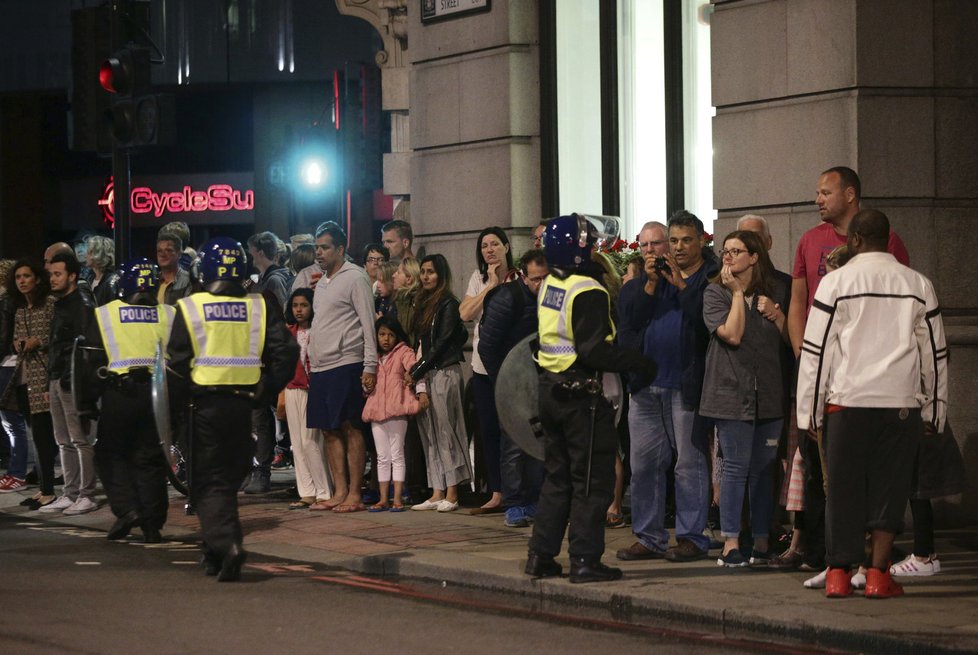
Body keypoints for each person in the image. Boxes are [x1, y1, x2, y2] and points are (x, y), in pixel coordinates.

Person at [797, 209, 947, 599]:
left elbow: (817, 351)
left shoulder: (836, 283)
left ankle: (837, 574)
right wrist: (935, 410)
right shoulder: (918, 284)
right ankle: (878, 576)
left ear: (855, 240)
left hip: (847, 401)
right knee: (890, 490)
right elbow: (934, 353)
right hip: (900, 402)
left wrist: (807, 411)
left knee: (843, 490)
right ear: (887, 238)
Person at [787, 167, 910, 587]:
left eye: (826, 192)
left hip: (850, 387)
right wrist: (807, 373)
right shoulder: (810, 241)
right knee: (836, 482)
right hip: (847, 384)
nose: (818, 199)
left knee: (859, 482)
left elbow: (903, 319)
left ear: (851, 195)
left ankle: (851, 569)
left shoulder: (886, 246)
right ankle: (854, 567)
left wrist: (811, 394)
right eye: (817, 192)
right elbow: (798, 304)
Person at [525, 214, 657, 584]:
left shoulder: (550, 283)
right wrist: (639, 363)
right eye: (590, 242)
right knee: (590, 481)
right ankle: (584, 559)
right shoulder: (589, 290)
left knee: (557, 478)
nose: (595, 247)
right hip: (580, 397)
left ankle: (541, 555)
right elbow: (594, 351)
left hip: (550, 389)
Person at [167, 237, 298, 581]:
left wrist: (174, 416)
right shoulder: (259, 306)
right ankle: (212, 552)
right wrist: (265, 390)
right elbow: (287, 352)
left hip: (202, 407)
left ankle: (229, 545)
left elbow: (176, 368)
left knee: (207, 484)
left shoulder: (190, 307)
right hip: (244, 407)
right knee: (226, 480)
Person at [615, 210, 719, 563]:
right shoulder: (646, 281)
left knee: (688, 465)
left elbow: (705, 321)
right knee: (643, 465)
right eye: (672, 241)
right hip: (646, 387)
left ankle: (692, 537)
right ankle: (648, 537)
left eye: (685, 240)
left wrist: (681, 285)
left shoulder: (710, 278)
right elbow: (628, 320)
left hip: (684, 386)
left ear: (701, 241)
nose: (677, 248)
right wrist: (648, 285)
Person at [699, 231, 789, 567]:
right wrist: (737, 293)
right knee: (736, 467)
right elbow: (732, 335)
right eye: (725, 251)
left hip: (768, 393)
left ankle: (763, 540)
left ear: (754, 256)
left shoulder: (775, 292)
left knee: (765, 469)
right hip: (729, 394)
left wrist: (777, 315)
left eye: (737, 251)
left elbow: (791, 340)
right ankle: (731, 542)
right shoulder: (715, 293)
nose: (728, 256)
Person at [87, 258, 174, 542]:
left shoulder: (105, 314)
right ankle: (152, 525)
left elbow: (92, 361)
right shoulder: (168, 314)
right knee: (150, 459)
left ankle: (127, 510)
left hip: (119, 394)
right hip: (158, 396)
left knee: (110, 454)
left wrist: (88, 401)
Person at [306, 221, 378, 513]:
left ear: (340, 248)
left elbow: (368, 322)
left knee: (350, 427)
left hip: (347, 362)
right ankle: (338, 492)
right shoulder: (321, 283)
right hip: (321, 366)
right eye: (316, 247)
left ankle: (354, 494)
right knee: (328, 430)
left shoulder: (355, 277)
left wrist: (370, 365)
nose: (319, 253)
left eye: (324, 247)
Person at [478, 248, 549, 528]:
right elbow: (488, 346)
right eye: (535, 279)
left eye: (545, 278)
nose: (540, 285)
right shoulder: (509, 299)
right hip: (513, 383)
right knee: (515, 444)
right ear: (523, 275)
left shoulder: (548, 301)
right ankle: (515, 502)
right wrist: (503, 383)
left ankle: (532, 499)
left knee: (537, 442)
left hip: (539, 381)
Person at [459, 226, 518, 514]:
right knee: (489, 430)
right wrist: (490, 286)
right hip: (482, 366)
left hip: (511, 366)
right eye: (485, 246)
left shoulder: (518, 278)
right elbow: (465, 313)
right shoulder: (478, 278)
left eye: (495, 244)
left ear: (507, 247)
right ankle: (496, 491)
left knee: (514, 430)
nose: (490, 250)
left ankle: (517, 491)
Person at [409, 254, 472, 512]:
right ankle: (437, 490)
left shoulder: (448, 303)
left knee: (448, 431)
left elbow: (443, 342)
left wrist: (417, 369)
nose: (426, 276)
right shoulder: (423, 303)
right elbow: (421, 343)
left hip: (444, 371)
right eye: (423, 271)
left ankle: (453, 491)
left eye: (431, 272)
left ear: (441, 275)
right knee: (430, 433)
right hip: (428, 373)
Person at [41, 251, 98, 516]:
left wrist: (72, 380)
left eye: (57, 274)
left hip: (71, 380)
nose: (52, 279)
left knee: (79, 439)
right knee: (63, 439)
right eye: (51, 274)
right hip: (57, 377)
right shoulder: (62, 303)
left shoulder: (82, 303)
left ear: (72, 275)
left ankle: (86, 494)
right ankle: (70, 492)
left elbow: (86, 347)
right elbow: (57, 345)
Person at [243, 231, 295, 494]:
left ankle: (261, 472)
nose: (249, 256)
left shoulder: (274, 281)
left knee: (264, 418)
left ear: (259, 252)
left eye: (251, 251)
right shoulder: (267, 279)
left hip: (268, 356)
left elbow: (283, 315)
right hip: (267, 355)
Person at [4, 259, 58, 508]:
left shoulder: (49, 304)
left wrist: (37, 340)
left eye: (27, 276)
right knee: (34, 434)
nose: (22, 281)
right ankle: (43, 488)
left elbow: (54, 335)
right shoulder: (20, 310)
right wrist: (20, 343)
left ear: (37, 278)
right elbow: (16, 339)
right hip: (23, 377)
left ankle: (49, 490)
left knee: (45, 435)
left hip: (44, 377)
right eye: (18, 277)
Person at [362, 316, 423, 512]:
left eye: (390, 334)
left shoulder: (404, 351)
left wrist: (411, 375)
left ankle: (397, 497)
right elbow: (367, 386)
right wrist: (366, 386)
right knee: (382, 456)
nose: (386, 339)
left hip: (397, 409)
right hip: (377, 410)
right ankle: (382, 498)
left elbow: (413, 366)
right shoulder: (373, 358)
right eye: (381, 334)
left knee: (397, 455)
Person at [282, 288, 333, 510]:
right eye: (295, 306)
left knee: (312, 442)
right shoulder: (289, 333)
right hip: (293, 388)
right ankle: (307, 492)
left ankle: (324, 491)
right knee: (297, 443)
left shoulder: (319, 330)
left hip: (314, 389)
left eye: (303, 305)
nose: (299, 310)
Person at [0, 259, 30, 493]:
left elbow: (4, 336)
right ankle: (18, 471)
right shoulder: (13, 301)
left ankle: (17, 473)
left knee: (12, 421)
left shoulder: (8, 301)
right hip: (10, 362)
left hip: (9, 363)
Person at [156, 232, 197, 306]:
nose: (163, 254)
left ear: (179, 254)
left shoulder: (189, 282)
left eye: (168, 250)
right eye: (160, 251)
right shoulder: (152, 282)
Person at [84, 235, 121, 306]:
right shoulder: (89, 279)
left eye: (89, 252)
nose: (86, 255)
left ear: (97, 254)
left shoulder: (112, 281)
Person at [392, 257, 421, 346]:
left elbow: (406, 331)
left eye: (398, 272)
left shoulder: (415, 303)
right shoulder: (400, 300)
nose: (393, 275)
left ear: (409, 279)